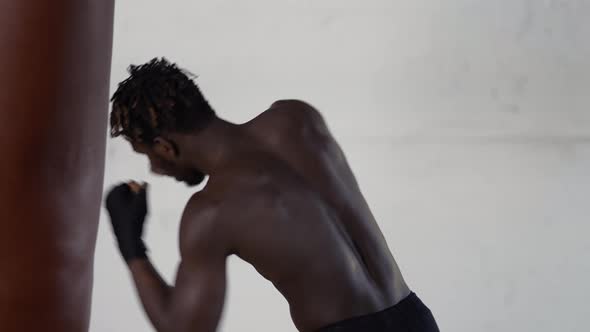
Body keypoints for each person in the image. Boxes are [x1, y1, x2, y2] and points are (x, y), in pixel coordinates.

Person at [105, 58, 440, 332]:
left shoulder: (211, 210)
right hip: (415, 318)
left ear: (165, 147)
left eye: (149, 155)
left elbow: (184, 327)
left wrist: (130, 243)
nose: (154, 169)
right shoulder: (297, 118)